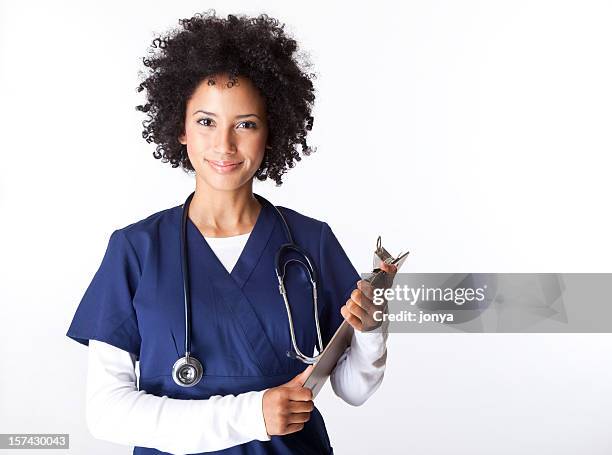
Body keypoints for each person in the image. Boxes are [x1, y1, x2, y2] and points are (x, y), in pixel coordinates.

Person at [66, 10, 395, 455]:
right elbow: (107, 411)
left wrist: (372, 329)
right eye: (206, 122)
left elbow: (353, 390)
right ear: (180, 128)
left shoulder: (311, 241)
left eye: (246, 124)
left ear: (269, 132)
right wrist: (251, 415)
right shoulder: (136, 249)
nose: (225, 145)